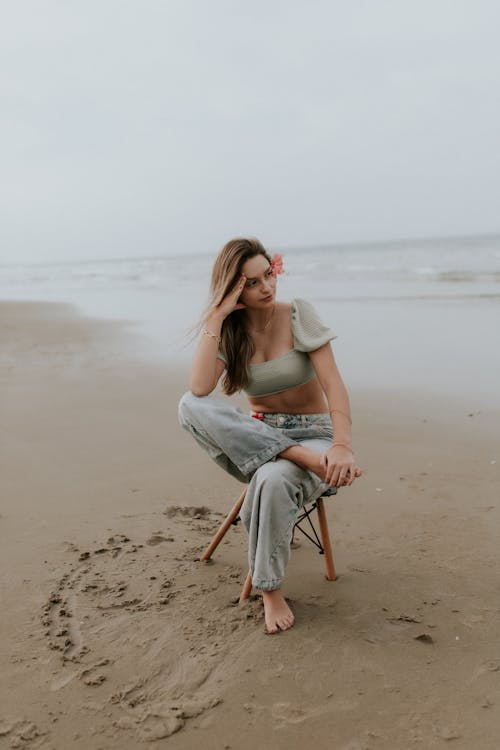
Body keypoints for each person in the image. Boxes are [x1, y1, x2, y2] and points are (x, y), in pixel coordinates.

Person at [178, 237, 362, 634]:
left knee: (273, 476)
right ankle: (292, 456)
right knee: (188, 404)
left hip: (315, 437)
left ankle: (270, 591)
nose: (267, 288)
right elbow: (199, 389)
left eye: (270, 275)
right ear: (232, 288)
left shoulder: (297, 314)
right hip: (258, 439)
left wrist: (342, 446)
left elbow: (335, 385)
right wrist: (216, 318)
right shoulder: (229, 332)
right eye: (253, 282)